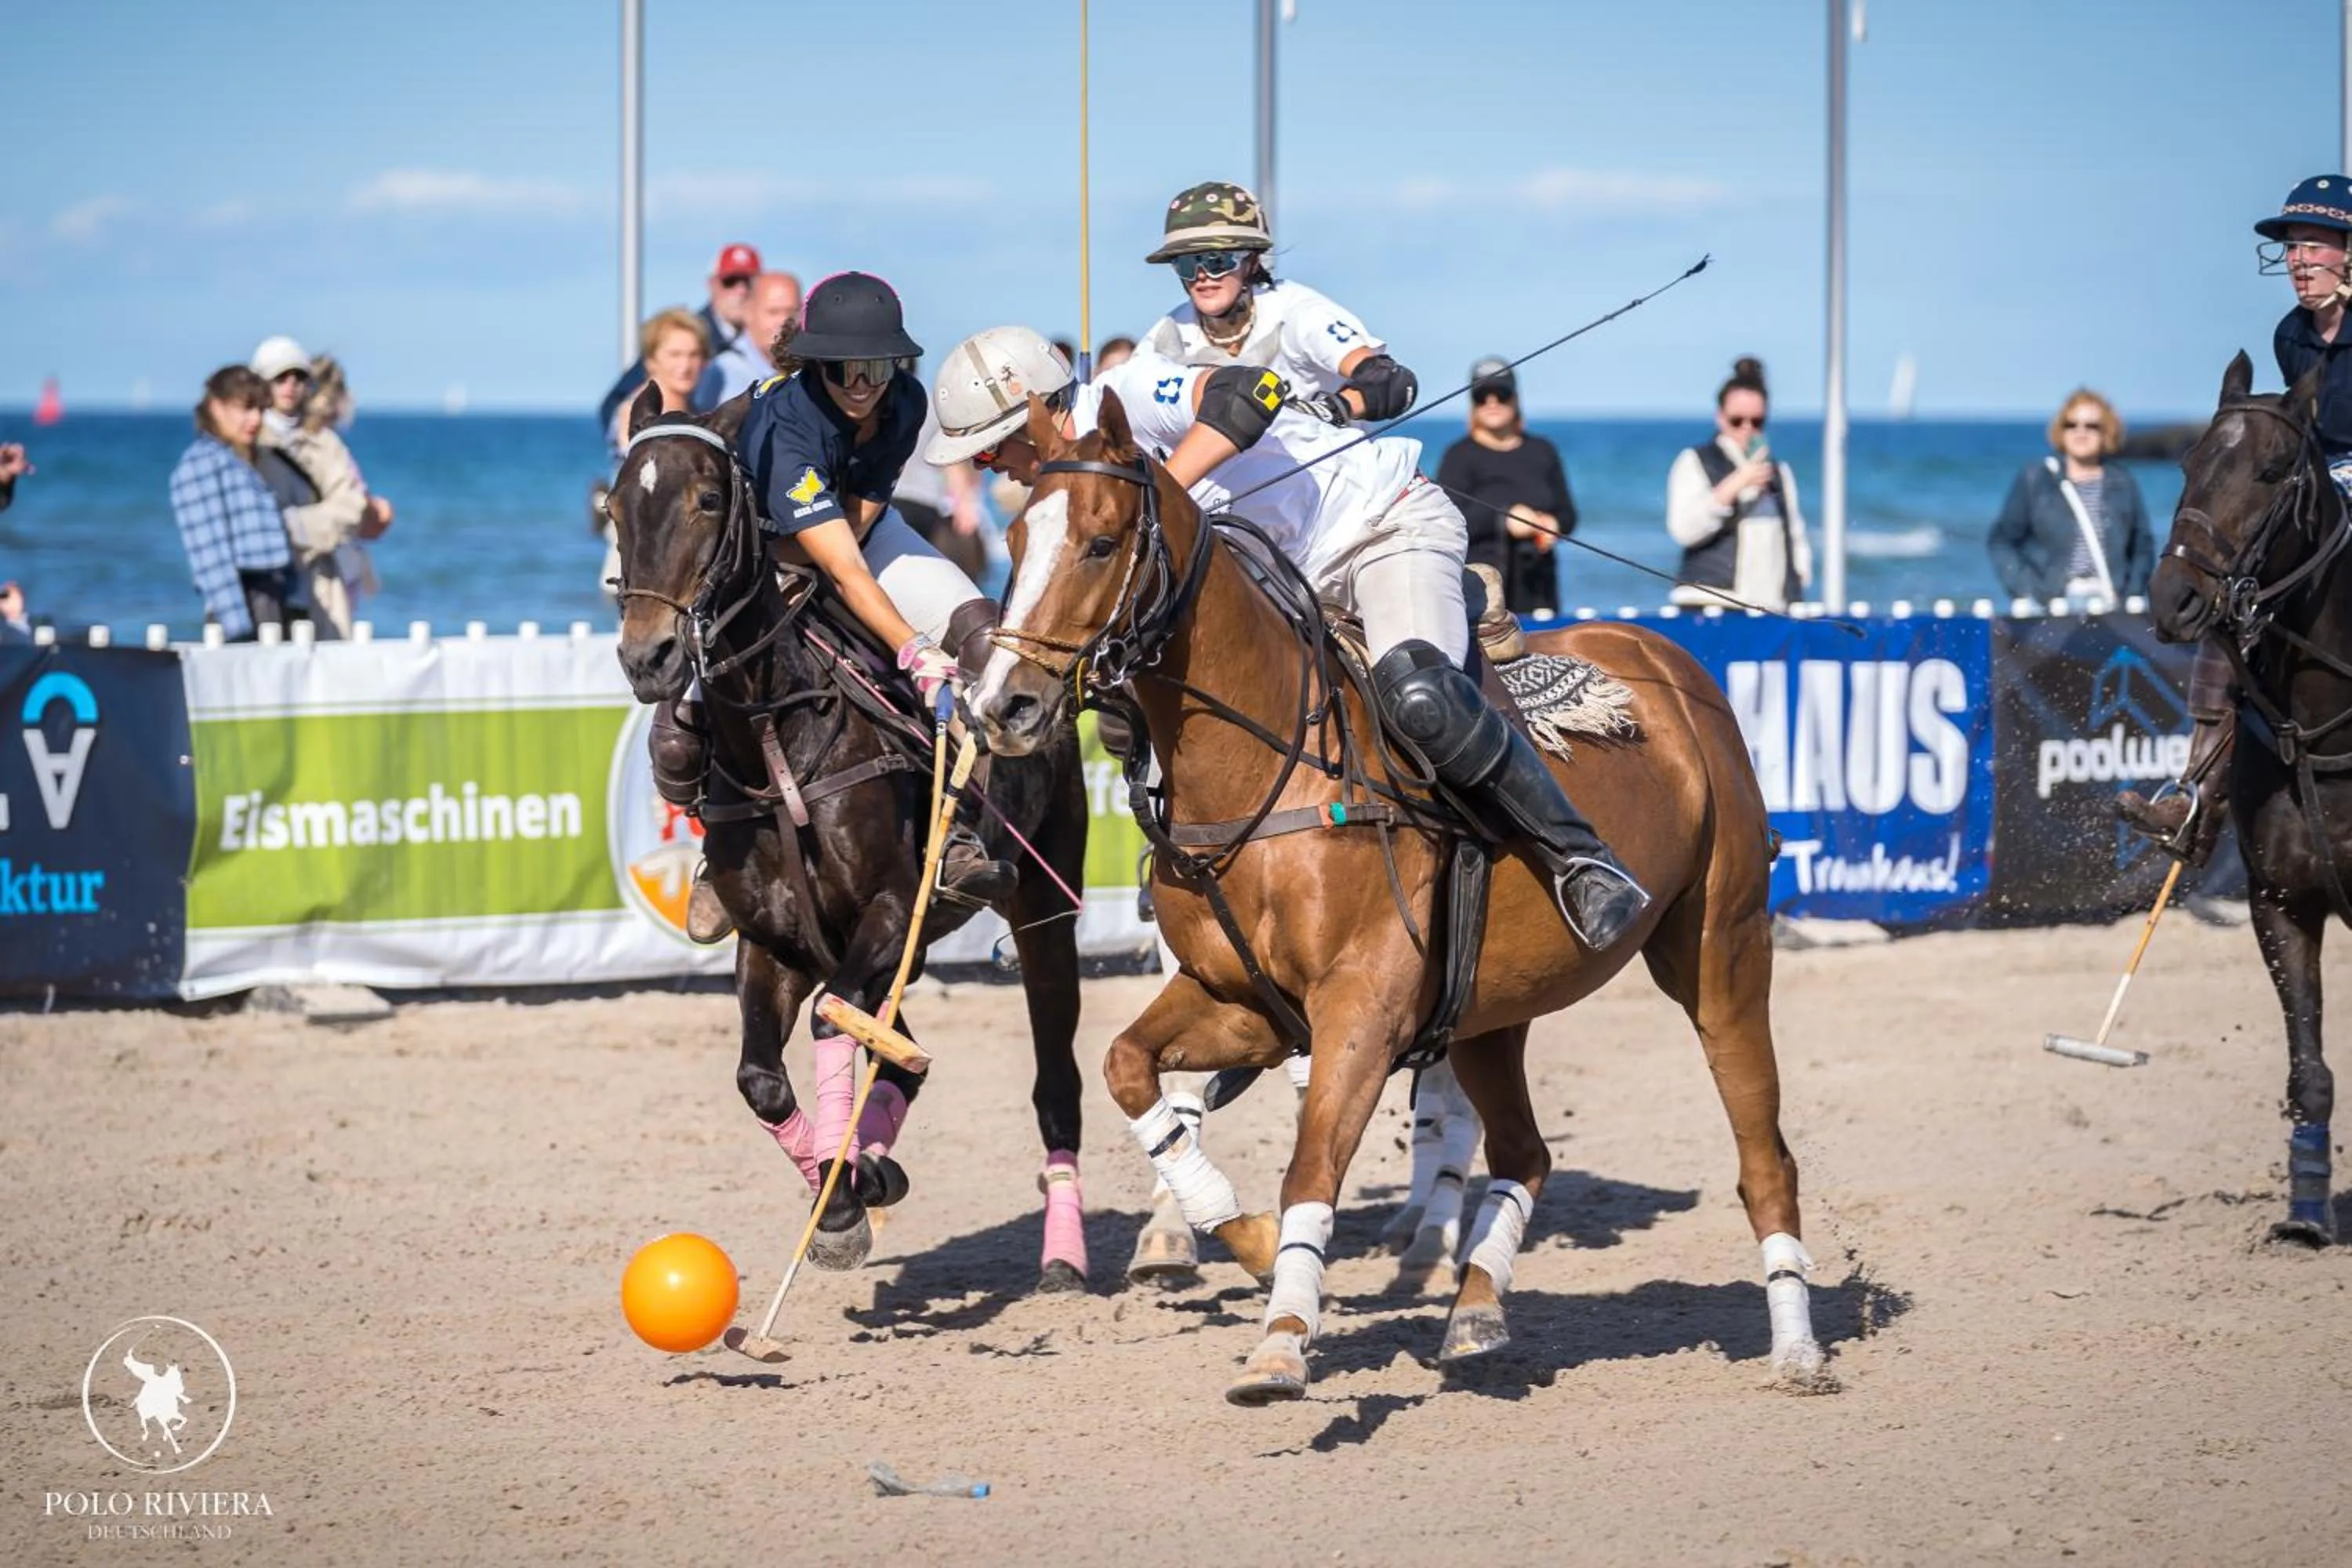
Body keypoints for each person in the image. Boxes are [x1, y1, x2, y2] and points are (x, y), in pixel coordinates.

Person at [929, 325, 1650, 952]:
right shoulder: (1072, 490)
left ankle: (1580, 860)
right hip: (1290, 580)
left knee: (1419, 694)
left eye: (990, 455)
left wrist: (1162, 491)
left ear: (1032, 419)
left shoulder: (1131, 391)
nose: (992, 471)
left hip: (1379, 529)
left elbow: (1254, 390)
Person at [652, 271, 1013, 942]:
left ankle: (964, 831)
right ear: (814, 361)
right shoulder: (786, 430)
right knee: (691, 723)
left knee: (986, 639)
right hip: (765, 554)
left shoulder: (903, 399)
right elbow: (835, 565)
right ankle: (718, 853)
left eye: (875, 363)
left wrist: (922, 640)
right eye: (842, 365)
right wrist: (911, 647)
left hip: (853, 528)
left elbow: (863, 519)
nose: (860, 380)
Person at [2121, 174, 2352, 862]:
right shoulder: (2292, 334)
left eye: (2314, 246)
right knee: (2235, 612)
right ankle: (2193, 796)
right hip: (2327, 493)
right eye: (2292, 248)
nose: (2299, 262)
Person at [1137, 180, 1420, 426]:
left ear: (1252, 261)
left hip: (1336, 481)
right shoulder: (1165, 336)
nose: (1202, 276)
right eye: (1186, 264)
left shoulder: (1300, 314)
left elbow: (1394, 385)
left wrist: (1329, 410)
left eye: (1217, 261)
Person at [250, 337, 375, 638]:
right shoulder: (249, 442)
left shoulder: (324, 443)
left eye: (299, 377)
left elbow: (352, 507)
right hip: (264, 589)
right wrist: (320, 525)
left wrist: (294, 526)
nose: (290, 385)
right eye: (280, 377)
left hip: (320, 587)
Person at [1665, 358, 1813, 612]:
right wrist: (1734, 486)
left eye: (1757, 422)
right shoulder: (1695, 460)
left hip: (1770, 607)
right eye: (1737, 421)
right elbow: (1683, 530)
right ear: (1720, 418)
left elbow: (1795, 535)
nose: (1747, 429)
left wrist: (1798, 579)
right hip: (1712, 602)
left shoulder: (1779, 471)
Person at [1436, 356, 1576, 618]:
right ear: (1473, 404)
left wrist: (1552, 523)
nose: (1492, 403)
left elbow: (1569, 515)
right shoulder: (1458, 455)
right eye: (1482, 396)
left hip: (1539, 587)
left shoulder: (1543, 451)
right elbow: (1446, 520)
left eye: (1501, 394)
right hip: (1482, 591)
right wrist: (1505, 518)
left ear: (1515, 399)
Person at [1985, 389, 2153, 604]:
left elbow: (2143, 545)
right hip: (2055, 600)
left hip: (2111, 599)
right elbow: (2002, 540)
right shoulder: (2036, 478)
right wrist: (2027, 589)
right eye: (2071, 424)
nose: (2080, 432)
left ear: (2107, 432)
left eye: (2092, 426)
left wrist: (2133, 592)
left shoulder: (2122, 481)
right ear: (2060, 430)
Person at [169, 367, 294, 641]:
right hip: (241, 604)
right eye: (247, 408)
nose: (256, 419)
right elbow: (210, 556)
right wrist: (238, 630)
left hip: (267, 599)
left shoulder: (238, 460)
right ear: (216, 407)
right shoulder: (200, 464)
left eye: (261, 409)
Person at [596, 241, 760, 428]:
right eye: (730, 281)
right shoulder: (684, 333)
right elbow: (615, 405)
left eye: (749, 282)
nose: (741, 291)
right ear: (712, 285)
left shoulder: (762, 341)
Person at [608, 309, 712, 459]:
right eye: (674, 355)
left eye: (694, 355)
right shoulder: (636, 412)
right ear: (651, 360)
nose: (685, 365)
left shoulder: (698, 412)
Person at [709, 272, 802, 403]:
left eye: (791, 312)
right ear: (748, 312)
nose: (783, 321)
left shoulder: (811, 370)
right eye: (773, 312)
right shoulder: (722, 373)